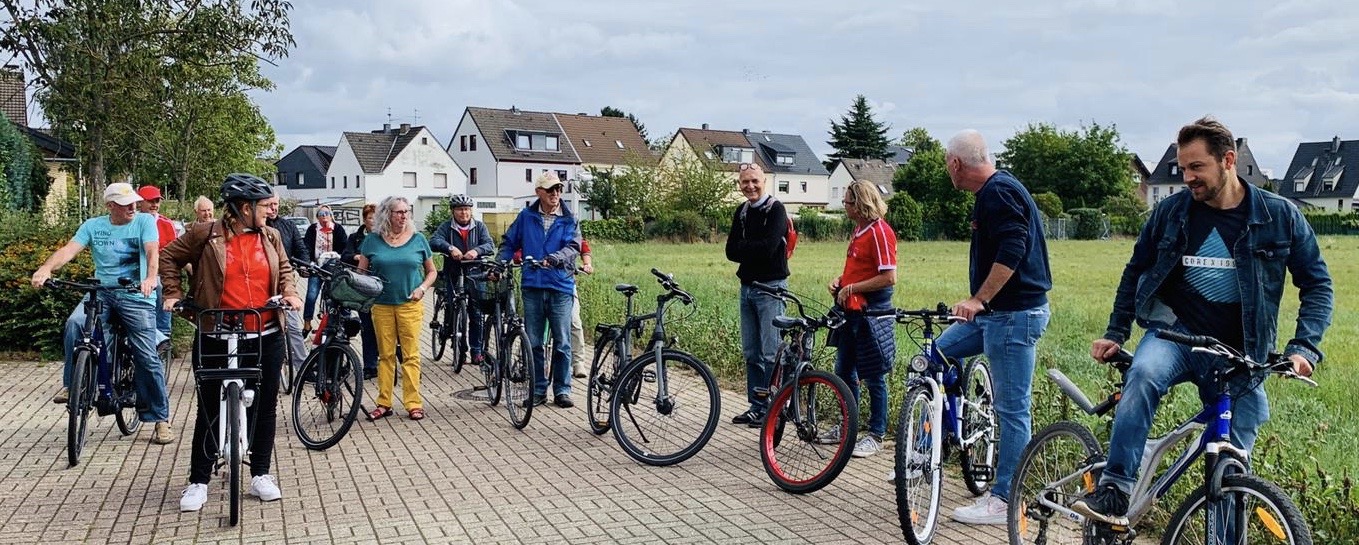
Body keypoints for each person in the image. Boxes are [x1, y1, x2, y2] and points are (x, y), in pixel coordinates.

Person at [1074, 117, 1334, 520]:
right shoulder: (1173, 213)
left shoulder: (1279, 216)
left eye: (1197, 167)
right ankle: (1115, 488)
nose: (1187, 177)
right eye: (1182, 168)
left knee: (1233, 467)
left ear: (1228, 161)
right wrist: (1116, 331)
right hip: (1176, 336)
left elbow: (1317, 285)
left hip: (1239, 352)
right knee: (1142, 375)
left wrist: (1304, 347)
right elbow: (1135, 270)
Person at [161, 173, 302, 512]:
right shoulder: (206, 234)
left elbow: (284, 269)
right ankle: (198, 480)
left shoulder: (271, 235)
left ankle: (261, 474)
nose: (270, 209)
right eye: (262, 205)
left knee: (265, 405)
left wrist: (290, 293)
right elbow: (168, 257)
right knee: (209, 405)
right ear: (243, 208)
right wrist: (173, 293)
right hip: (216, 330)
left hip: (264, 330)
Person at [935, 130, 1052, 525]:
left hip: (1012, 317)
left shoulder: (998, 193)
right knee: (933, 356)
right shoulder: (995, 190)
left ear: (955, 164)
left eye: (946, 164)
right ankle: (925, 455)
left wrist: (978, 299)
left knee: (1013, 409)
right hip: (995, 316)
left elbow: (1013, 249)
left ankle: (1005, 500)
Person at [31, 182, 174, 445]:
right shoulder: (93, 226)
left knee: (145, 354)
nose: (132, 206)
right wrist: (46, 268)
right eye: (125, 204)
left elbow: (152, 252)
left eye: (134, 202)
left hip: (136, 293)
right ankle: (73, 385)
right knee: (75, 323)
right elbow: (69, 250)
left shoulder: (144, 222)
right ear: (110, 206)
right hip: (102, 291)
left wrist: (151, 278)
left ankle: (159, 418)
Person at [824, 180, 897, 458]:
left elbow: (889, 277)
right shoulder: (858, 231)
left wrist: (852, 288)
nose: (844, 206)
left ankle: (876, 434)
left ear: (862, 203)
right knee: (844, 371)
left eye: (848, 202)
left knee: (874, 375)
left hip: (871, 314)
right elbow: (859, 270)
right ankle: (848, 426)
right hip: (850, 311)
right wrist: (841, 282)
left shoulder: (880, 232)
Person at [497, 171, 581, 408]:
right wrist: (500, 262)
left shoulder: (569, 218)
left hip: (560, 284)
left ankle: (563, 390)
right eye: (550, 189)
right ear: (539, 193)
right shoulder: (526, 216)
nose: (556, 194)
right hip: (533, 285)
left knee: (562, 341)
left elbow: (573, 246)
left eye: (558, 189)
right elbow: (509, 242)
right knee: (534, 341)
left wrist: (555, 258)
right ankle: (538, 390)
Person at [358, 197, 437, 421]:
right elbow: (361, 273)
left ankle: (413, 403)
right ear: (387, 214)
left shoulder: (418, 239)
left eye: (406, 212)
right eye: (398, 212)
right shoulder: (372, 241)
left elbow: (432, 271)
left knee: (411, 355)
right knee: (386, 355)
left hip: (409, 304)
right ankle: (384, 402)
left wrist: (422, 288)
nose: (403, 216)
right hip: (381, 305)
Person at [724, 163, 789, 427]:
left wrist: (746, 247)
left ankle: (774, 408)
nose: (750, 186)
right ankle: (756, 405)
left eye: (754, 181)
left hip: (771, 288)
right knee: (751, 352)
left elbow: (769, 248)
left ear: (765, 181)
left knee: (771, 353)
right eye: (744, 182)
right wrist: (753, 248)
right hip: (747, 288)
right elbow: (730, 251)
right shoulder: (741, 211)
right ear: (739, 184)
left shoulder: (776, 210)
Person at [429, 194, 495, 368]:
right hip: (454, 272)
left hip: (475, 273)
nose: (464, 212)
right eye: (460, 209)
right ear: (453, 211)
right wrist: (450, 248)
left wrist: (477, 251)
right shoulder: (446, 227)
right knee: (452, 307)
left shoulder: (479, 227)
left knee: (477, 314)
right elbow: (434, 241)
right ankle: (457, 344)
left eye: (466, 209)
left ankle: (477, 352)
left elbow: (490, 244)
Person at [263, 195, 312, 383]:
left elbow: (300, 249)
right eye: (269, 205)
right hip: (262, 282)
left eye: (275, 204)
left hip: (284, 281)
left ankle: (302, 367)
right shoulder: (256, 228)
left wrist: (305, 265)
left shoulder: (288, 226)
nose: (273, 208)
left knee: (292, 325)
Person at [342, 203, 379, 378]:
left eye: (376, 217)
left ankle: (393, 359)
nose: (374, 221)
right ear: (365, 220)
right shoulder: (355, 238)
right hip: (363, 285)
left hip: (381, 285)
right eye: (371, 218)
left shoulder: (384, 237)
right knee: (367, 327)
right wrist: (357, 257)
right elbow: (345, 255)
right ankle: (370, 365)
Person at [137, 185, 178, 339]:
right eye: (150, 201)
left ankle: (163, 334)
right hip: (137, 271)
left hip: (160, 272)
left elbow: (174, 252)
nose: (154, 204)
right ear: (140, 202)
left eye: (157, 201)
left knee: (162, 287)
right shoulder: (132, 220)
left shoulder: (166, 224)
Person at [303, 205, 348, 332]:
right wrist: (309, 262)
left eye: (327, 213)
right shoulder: (313, 229)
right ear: (317, 217)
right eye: (321, 214)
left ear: (331, 215)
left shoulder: (338, 229)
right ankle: (307, 322)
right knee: (311, 295)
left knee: (339, 295)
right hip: (317, 267)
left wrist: (339, 256)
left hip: (334, 267)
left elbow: (345, 246)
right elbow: (306, 247)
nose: (324, 217)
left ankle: (342, 321)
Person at [569, 238, 594, 378]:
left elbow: (583, 247)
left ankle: (578, 362)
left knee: (574, 321)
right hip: (541, 281)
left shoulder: (568, 223)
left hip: (566, 282)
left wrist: (587, 264)